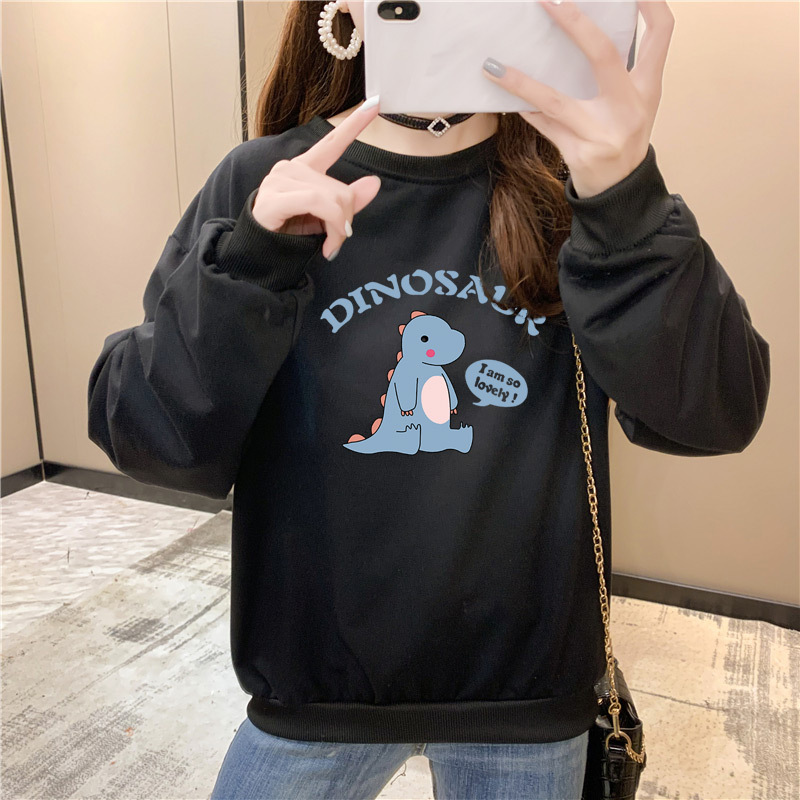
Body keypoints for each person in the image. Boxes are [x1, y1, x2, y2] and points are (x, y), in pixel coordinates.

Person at [87, 1, 770, 798]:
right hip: (316, 688)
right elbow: (154, 438)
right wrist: (252, 261)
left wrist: (627, 201)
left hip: (524, 696)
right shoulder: (265, 180)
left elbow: (716, 413)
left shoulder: (574, 181)